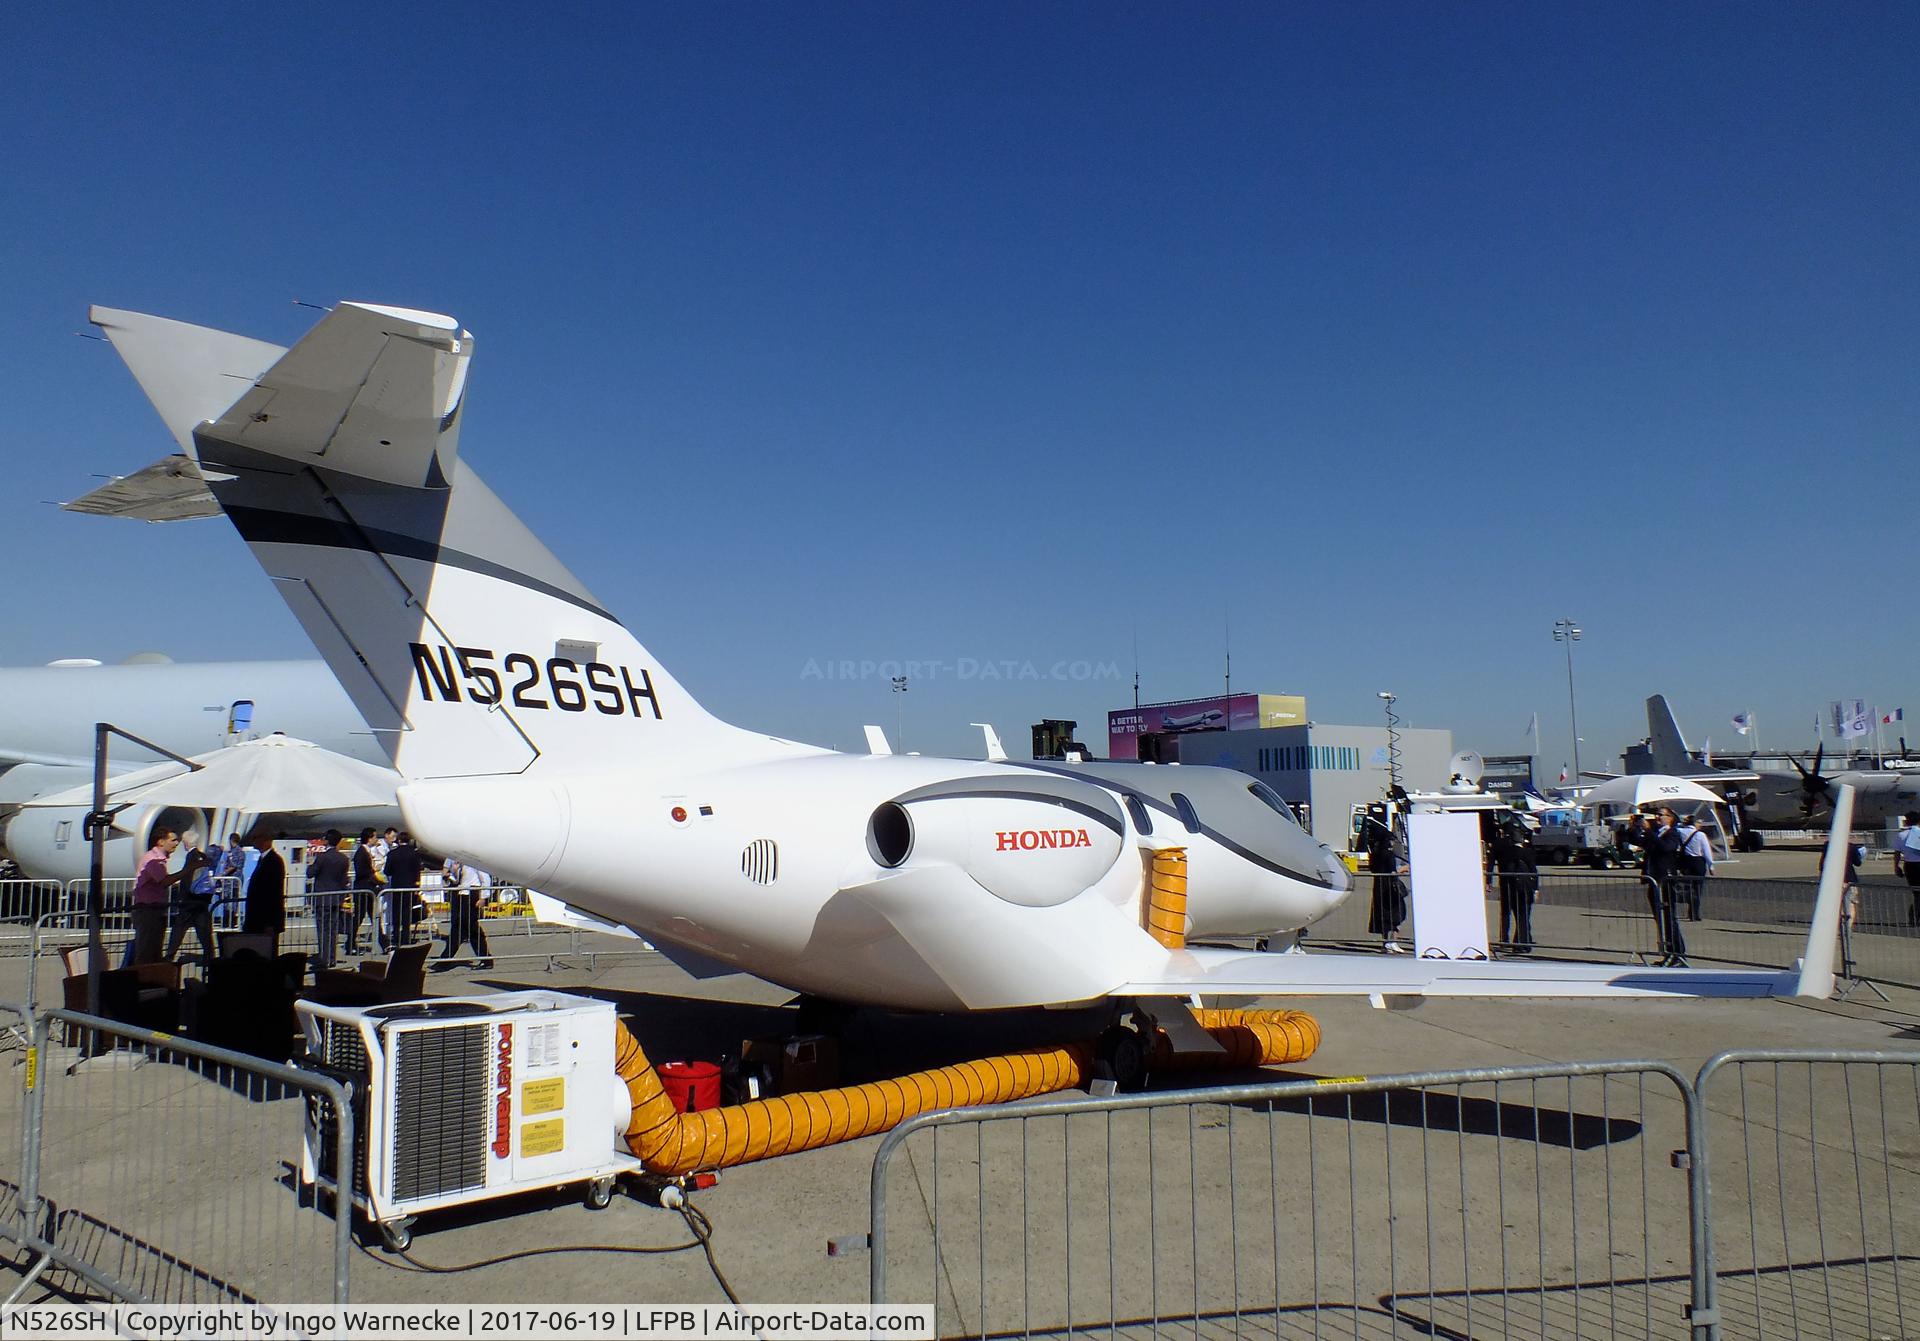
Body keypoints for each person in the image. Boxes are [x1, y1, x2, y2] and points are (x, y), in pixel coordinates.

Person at [131, 827, 198, 965]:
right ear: (161, 842)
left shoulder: (159, 860)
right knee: (146, 951)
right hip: (148, 911)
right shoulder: (152, 859)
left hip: (155, 910)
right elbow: (164, 881)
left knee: (154, 951)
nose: (177, 843)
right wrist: (189, 869)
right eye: (173, 840)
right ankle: (143, 980)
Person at [163, 830, 219, 964]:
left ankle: (169, 955)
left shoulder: (191, 857)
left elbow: (188, 878)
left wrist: (181, 895)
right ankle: (210, 956)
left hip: (189, 901)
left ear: (186, 843)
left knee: (179, 929)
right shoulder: (203, 856)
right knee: (204, 931)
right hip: (202, 900)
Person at [1361, 808, 1408, 953]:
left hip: (1379, 886)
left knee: (1383, 914)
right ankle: (1392, 942)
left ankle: (1386, 942)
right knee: (1396, 914)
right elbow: (1393, 870)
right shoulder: (1387, 853)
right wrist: (1404, 868)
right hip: (1391, 886)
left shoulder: (1374, 852)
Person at [1490, 820, 1539, 954]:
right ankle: (1523, 942)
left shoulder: (1505, 852)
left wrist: (1489, 880)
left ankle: (1504, 939)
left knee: (1506, 914)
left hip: (1508, 886)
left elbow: (1493, 863)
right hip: (1525, 888)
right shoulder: (1528, 852)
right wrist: (1535, 888)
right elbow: (1534, 871)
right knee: (1523, 916)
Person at [437, 856, 494, 970]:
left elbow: (485, 878)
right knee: (459, 927)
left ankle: (485, 959)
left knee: (470, 927)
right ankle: (445, 959)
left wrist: (483, 897)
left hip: (472, 893)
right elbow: (457, 879)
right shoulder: (459, 861)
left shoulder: (474, 860)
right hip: (461, 893)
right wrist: (450, 875)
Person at [308, 829, 351, 970]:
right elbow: (344, 879)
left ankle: (323, 957)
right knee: (333, 929)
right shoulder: (343, 859)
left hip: (322, 897)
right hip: (336, 898)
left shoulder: (322, 857)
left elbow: (311, 873)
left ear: (327, 840)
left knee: (322, 929)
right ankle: (331, 957)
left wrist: (310, 866)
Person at [241, 828, 288, 947]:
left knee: (267, 952)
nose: (253, 841)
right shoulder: (263, 859)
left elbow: (273, 893)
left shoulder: (274, 861)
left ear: (266, 840)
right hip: (258, 918)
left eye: (256, 838)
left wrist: (270, 923)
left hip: (265, 920)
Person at [383, 833, 424, 946]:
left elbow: (387, 871)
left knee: (396, 912)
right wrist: (416, 884)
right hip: (410, 886)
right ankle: (406, 936)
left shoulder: (392, 854)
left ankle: (396, 936)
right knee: (407, 912)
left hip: (397, 885)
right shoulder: (414, 854)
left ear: (399, 840)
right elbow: (418, 870)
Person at [1675, 815, 1715, 921]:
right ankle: (1694, 913)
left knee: (1688, 887)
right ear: (1695, 823)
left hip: (1686, 862)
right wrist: (1711, 866)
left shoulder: (1680, 832)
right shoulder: (1701, 835)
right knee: (1697, 889)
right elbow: (1707, 851)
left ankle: (1688, 909)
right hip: (1698, 862)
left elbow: (1676, 827)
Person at [349, 827, 382, 953]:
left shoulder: (366, 852)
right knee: (359, 917)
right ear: (369, 838)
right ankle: (350, 943)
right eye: (374, 836)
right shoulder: (361, 853)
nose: (376, 839)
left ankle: (383, 942)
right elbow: (362, 872)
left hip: (367, 889)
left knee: (373, 916)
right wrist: (374, 874)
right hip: (364, 888)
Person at [1895, 813, 1920, 927]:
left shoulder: (1901, 835)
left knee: (1917, 893)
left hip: (1910, 865)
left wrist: (1896, 866)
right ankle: (1915, 915)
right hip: (1914, 865)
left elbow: (1897, 853)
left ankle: (1914, 916)